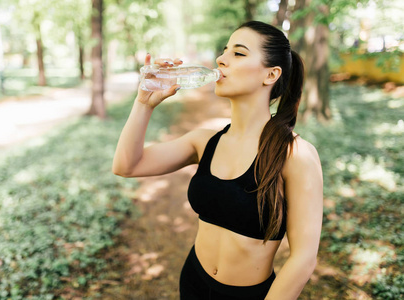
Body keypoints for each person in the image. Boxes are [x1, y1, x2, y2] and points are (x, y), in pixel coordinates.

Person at [113, 20, 323, 300]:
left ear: (271, 74)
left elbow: (303, 259)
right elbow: (127, 166)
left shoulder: (295, 154)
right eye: (224, 51)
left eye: (238, 53)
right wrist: (143, 103)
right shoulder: (203, 141)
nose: (221, 59)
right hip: (193, 282)